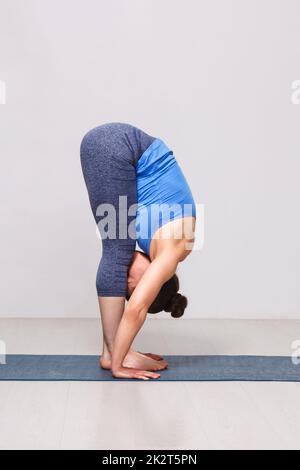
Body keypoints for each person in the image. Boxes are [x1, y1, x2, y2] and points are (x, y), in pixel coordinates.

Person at [80, 123, 196, 380]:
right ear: (149, 281)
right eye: (130, 286)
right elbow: (136, 311)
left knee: (117, 248)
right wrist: (120, 366)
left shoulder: (155, 244)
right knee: (117, 252)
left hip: (114, 146)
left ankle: (111, 351)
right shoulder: (170, 254)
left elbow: (134, 306)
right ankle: (115, 355)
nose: (125, 282)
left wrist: (118, 351)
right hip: (118, 145)